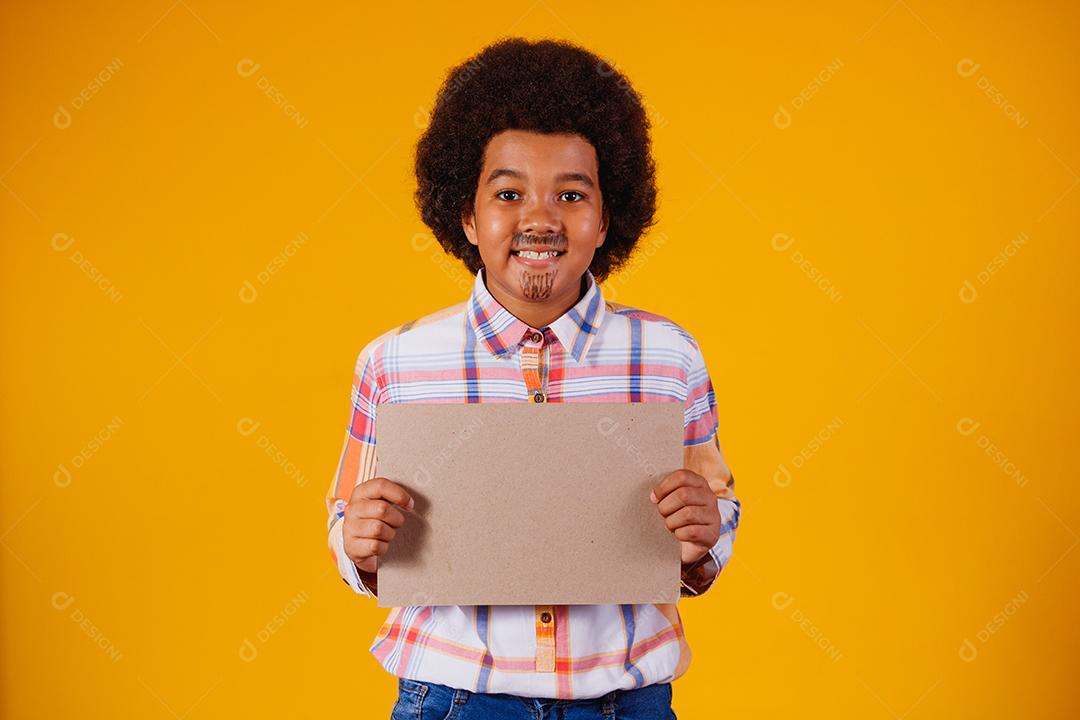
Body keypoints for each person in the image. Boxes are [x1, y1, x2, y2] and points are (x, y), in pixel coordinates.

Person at [325, 37, 741, 720]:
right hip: (453, 701)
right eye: (509, 193)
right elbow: (347, 525)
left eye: (571, 195)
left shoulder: (669, 358)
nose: (541, 218)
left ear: (606, 219)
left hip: (626, 702)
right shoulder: (394, 362)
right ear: (467, 215)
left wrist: (704, 539)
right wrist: (357, 544)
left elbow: (715, 517)